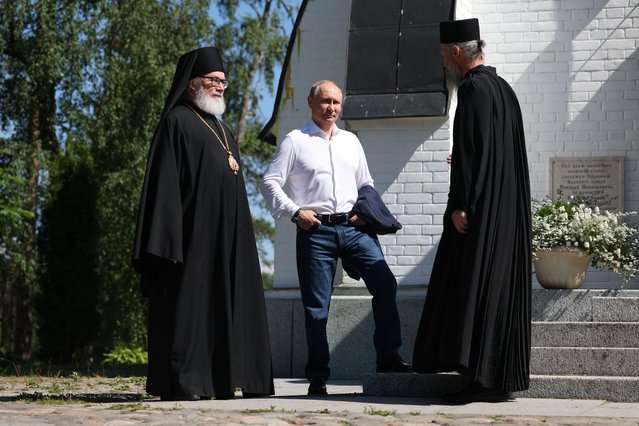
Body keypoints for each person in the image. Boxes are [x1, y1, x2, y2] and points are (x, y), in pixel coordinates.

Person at [132, 46, 274, 401]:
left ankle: (221, 379)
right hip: (190, 242)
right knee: (190, 314)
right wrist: (169, 244)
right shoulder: (176, 122)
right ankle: (188, 382)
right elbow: (164, 188)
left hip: (226, 242)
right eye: (214, 80)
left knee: (223, 310)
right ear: (193, 82)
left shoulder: (223, 129)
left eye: (224, 82)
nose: (221, 87)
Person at [260, 80, 412, 396]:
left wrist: (363, 213)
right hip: (315, 232)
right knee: (317, 307)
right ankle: (317, 377)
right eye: (326, 101)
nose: (332, 108)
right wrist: (294, 211)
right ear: (311, 102)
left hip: (354, 228)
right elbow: (270, 182)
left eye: (337, 103)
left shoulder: (351, 142)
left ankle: (388, 358)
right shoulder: (295, 141)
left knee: (385, 283)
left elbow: (365, 182)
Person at [412, 18, 532, 403]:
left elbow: (478, 160)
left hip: (482, 213)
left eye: (445, 55)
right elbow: (491, 153)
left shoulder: (473, 89)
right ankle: (494, 377)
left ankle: (481, 378)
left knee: (473, 286)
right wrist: (462, 160)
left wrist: (461, 205)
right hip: (505, 209)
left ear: (457, 52)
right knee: (493, 289)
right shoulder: (503, 89)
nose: (444, 63)